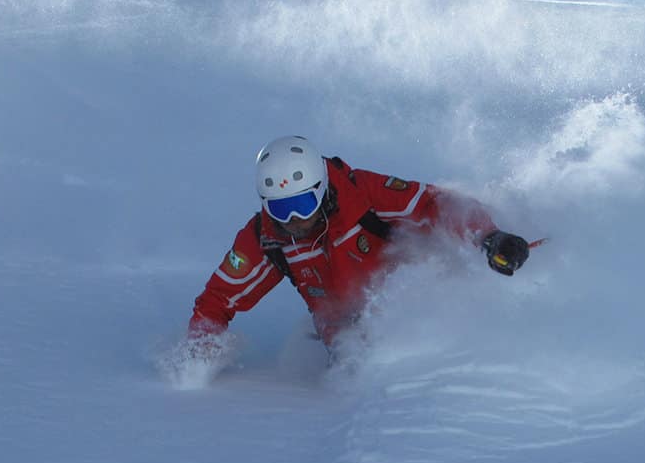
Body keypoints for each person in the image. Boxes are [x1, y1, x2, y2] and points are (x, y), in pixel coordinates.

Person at [188, 135, 530, 349]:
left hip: (413, 298)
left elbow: (435, 204)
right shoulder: (267, 238)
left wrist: (488, 236)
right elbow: (219, 297)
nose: (293, 220)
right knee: (358, 365)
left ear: (320, 190)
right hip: (343, 330)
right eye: (280, 209)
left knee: (439, 339)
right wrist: (200, 347)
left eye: (301, 205)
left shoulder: (361, 194)